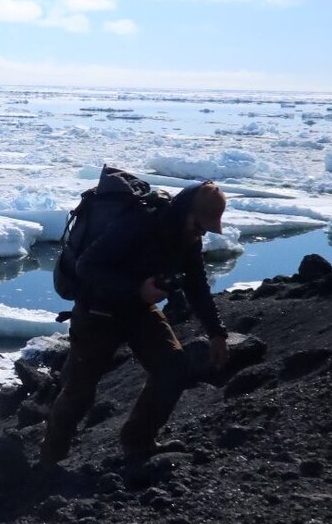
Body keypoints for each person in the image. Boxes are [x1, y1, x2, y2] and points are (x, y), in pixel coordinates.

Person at [39, 180, 230, 466]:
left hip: (138, 311)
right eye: (199, 225)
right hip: (97, 312)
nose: (200, 232)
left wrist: (216, 333)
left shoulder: (188, 237)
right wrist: (137, 289)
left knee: (172, 367)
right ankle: (50, 461)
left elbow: (197, 286)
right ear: (186, 212)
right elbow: (87, 266)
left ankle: (138, 441)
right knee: (79, 391)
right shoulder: (139, 222)